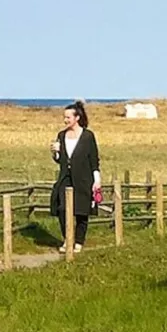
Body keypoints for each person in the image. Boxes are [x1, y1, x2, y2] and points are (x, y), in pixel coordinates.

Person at [49, 100, 101, 253]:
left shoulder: (88, 136)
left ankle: (79, 240)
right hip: (65, 177)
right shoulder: (61, 135)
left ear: (77, 118)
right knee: (62, 209)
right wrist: (55, 152)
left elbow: (94, 159)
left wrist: (96, 179)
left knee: (81, 211)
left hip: (84, 178)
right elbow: (60, 160)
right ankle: (68, 238)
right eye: (64, 117)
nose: (65, 120)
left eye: (68, 117)